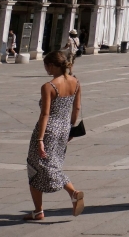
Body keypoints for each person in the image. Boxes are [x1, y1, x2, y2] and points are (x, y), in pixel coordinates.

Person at [24, 51, 85, 221]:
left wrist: (40, 139)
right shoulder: (76, 82)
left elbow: (45, 114)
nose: (45, 69)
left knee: (35, 167)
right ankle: (39, 211)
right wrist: (70, 128)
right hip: (64, 129)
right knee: (52, 164)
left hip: (48, 130)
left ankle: (71, 193)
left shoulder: (49, 86)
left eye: (46, 65)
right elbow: (77, 108)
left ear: (51, 65)